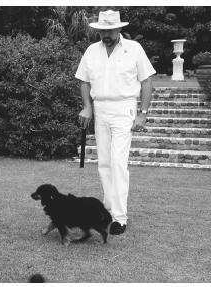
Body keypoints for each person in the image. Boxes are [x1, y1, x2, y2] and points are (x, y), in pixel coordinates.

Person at [75, 10, 156, 235]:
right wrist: (87, 107)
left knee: (119, 163)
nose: (106, 35)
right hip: (101, 109)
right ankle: (108, 210)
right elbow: (84, 81)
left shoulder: (134, 49)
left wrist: (143, 113)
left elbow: (147, 81)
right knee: (104, 164)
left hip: (124, 109)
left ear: (119, 28)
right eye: (102, 31)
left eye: (110, 30)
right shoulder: (92, 51)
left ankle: (120, 217)